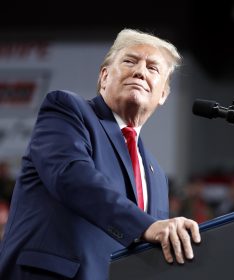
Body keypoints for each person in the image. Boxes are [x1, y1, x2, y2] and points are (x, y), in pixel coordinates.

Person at [0, 29, 201, 280]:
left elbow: (150, 251)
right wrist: (145, 225)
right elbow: (72, 177)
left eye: (153, 68)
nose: (140, 71)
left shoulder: (157, 175)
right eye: (130, 61)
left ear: (163, 94)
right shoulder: (68, 111)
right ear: (104, 77)